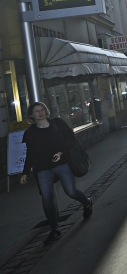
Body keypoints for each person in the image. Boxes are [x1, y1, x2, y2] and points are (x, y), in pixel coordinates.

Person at [20, 102, 93, 245]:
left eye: (42, 110)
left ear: (46, 111)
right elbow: (30, 154)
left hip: (62, 163)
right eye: (37, 111)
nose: (40, 113)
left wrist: (60, 153)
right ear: (31, 115)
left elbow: (71, 139)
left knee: (71, 191)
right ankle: (55, 229)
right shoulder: (30, 133)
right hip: (42, 168)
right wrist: (25, 172)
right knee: (47, 197)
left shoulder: (57, 123)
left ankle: (87, 202)